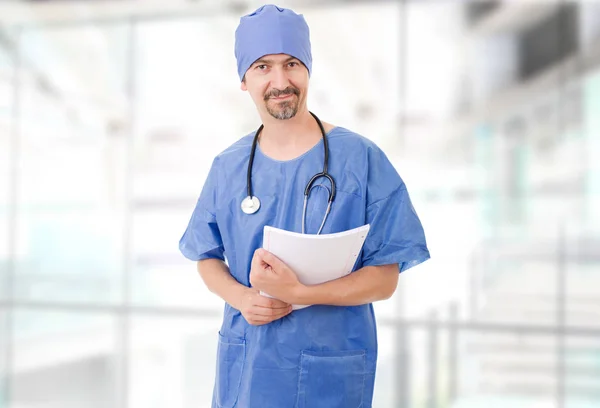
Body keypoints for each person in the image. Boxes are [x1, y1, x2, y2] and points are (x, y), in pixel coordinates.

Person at [179, 4, 430, 408]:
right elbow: (205, 257)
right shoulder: (228, 168)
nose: (280, 81)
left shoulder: (361, 160)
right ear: (244, 79)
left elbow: (385, 279)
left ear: (308, 69)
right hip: (247, 373)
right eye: (263, 67)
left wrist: (302, 291)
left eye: (291, 63)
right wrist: (242, 299)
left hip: (329, 375)